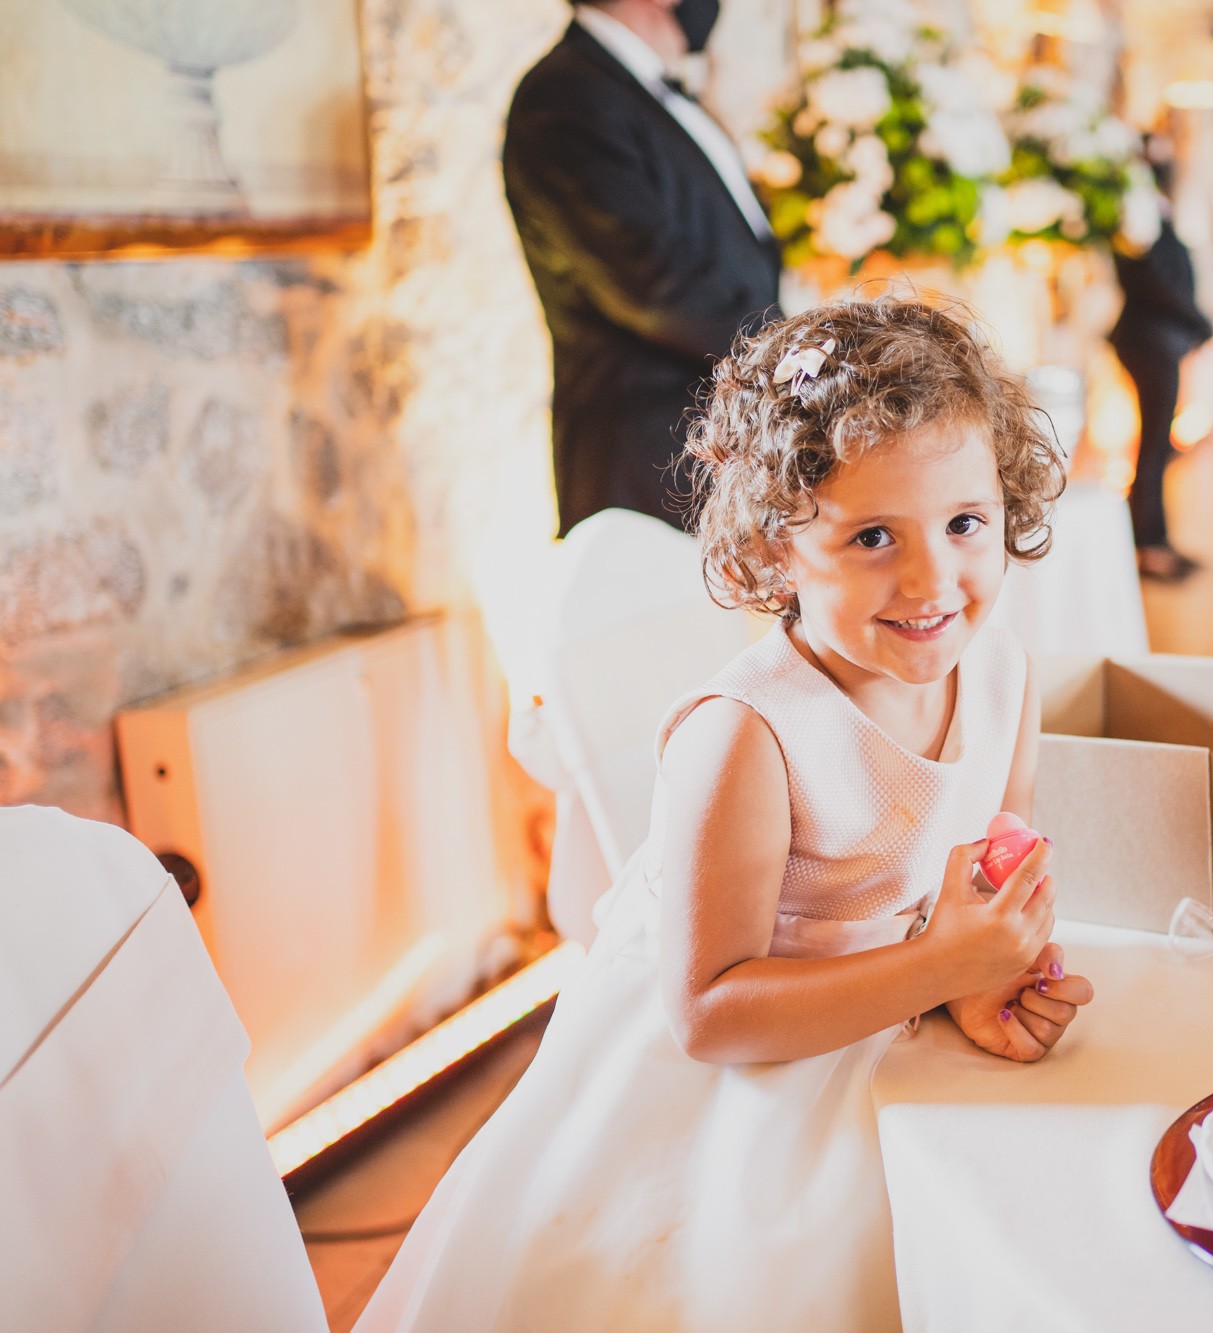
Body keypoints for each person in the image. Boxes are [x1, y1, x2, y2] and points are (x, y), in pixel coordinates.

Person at [355, 300, 1093, 1332]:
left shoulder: (1004, 674)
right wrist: (936, 970)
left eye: (964, 523)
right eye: (872, 536)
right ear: (774, 549)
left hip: (885, 1013)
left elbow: (967, 890)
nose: (931, 578)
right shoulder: (748, 735)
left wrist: (975, 982)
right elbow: (707, 1011)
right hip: (726, 1082)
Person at [503, 0, 782, 536]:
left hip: (715, 449)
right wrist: (801, 354)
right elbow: (655, 288)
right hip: (651, 463)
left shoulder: (637, 89)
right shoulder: (564, 96)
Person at [1112, 142, 1213, 582]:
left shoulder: (1154, 210)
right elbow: (1154, 281)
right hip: (1149, 341)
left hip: (1159, 340)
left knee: (1158, 443)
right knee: (1154, 444)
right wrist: (1198, 321)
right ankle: (1148, 544)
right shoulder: (1134, 214)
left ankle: (1154, 538)